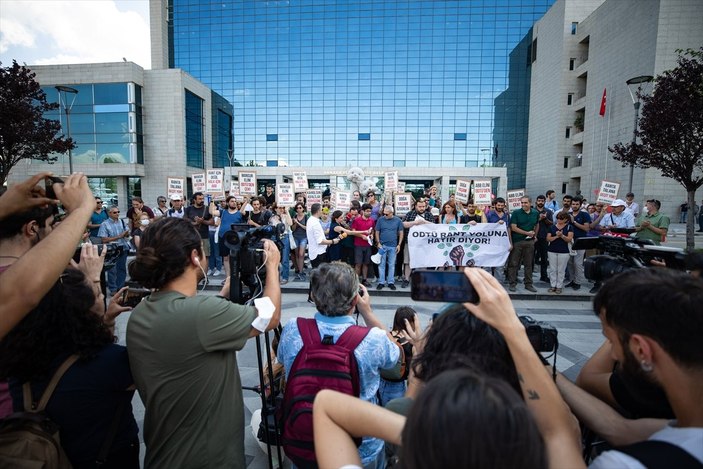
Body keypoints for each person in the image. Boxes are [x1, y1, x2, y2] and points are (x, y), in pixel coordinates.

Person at [312, 268, 584, 469]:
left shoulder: (409, 416)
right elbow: (562, 432)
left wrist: (421, 355)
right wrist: (513, 333)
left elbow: (325, 405)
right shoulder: (532, 436)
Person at [126, 217, 281, 468]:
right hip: (208, 459)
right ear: (195, 256)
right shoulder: (202, 314)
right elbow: (269, 317)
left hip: (164, 454)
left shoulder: (141, 313)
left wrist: (221, 297)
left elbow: (189, 328)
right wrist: (272, 267)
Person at [0, 264, 138, 468]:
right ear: (85, 312)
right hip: (108, 458)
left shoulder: (19, 365)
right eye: (97, 294)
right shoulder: (110, 362)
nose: (102, 297)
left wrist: (106, 320)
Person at [277, 261, 399, 468]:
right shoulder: (374, 339)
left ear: (314, 296)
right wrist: (367, 312)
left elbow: (281, 360)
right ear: (355, 299)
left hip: (303, 439)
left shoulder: (293, 329)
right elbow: (397, 355)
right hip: (361, 447)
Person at [586, 269, 703, 468]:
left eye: (611, 341)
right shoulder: (686, 422)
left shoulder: (625, 464)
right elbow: (622, 430)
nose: (614, 355)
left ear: (641, 349)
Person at [0, 172, 95, 340]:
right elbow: (21, 292)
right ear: (32, 228)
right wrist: (83, 208)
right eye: (51, 225)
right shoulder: (39, 288)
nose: (53, 230)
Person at [378, 307, 418, 406]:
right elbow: (412, 377)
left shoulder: (386, 336)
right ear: (410, 323)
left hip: (380, 383)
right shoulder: (412, 344)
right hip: (397, 387)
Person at [507, 196, 540, 292]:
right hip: (517, 241)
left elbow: (537, 224)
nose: (523, 205)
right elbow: (513, 227)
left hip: (529, 242)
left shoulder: (535, 213)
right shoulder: (516, 213)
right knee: (513, 263)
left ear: (530, 203)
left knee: (529, 264)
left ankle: (528, 284)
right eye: (522, 203)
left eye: (525, 203)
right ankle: (512, 283)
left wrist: (535, 235)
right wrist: (527, 233)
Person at [401, 199, 434, 288]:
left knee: (423, 262)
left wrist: (424, 222)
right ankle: (407, 279)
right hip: (410, 243)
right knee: (407, 262)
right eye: (420, 206)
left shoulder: (428, 214)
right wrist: (415, 223)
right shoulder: (410, 214)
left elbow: (434, 226)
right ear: (415, 206)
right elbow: (403, 224)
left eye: (423, 206)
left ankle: (422, 280)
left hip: (424, 244)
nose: (422, 208)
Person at [98, 205, 131, 294]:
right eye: (115, 212)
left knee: (122, 268)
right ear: (109, 213)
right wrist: (119, 236)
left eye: (118, 212)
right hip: (112, 250)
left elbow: (127, 232)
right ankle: (113, 289)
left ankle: (120, 288)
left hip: (123, 247)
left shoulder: (122, 222)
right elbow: (104, 239)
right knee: (112, 270)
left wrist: (126, 234)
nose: (117, 214)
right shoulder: (105, 224)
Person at [375, 205, 404, 290]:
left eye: (387, 214)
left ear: (392, 213)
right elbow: (377, 232)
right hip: (382, 245)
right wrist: (378, 243)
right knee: (381, 265)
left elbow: (401, 233)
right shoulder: (381, 219)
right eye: (384, 213)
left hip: (393, 245)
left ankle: (391, 282)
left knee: (391, 265)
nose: (385, 215)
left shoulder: (398, 220)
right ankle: (381, 282)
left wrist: (399, 244)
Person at [565, 196, 591, 291]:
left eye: (577, 204)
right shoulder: (568, 214)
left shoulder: (584, 214)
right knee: (570, 262)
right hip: (569, 241)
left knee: (578, 263)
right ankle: (572, 280)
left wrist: (574, 222)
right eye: (573, 204)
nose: (575, 206)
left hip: (580, 241)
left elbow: (586, 228)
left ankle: (578, 282)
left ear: (580, 205)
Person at [184, 192, 214, 270]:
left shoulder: (207, 209)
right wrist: (195, 223)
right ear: (194, 200)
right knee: (191, 255)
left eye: (202, 198)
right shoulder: (188, 209)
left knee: (205, 256)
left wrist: (202, 221)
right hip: (192, 237)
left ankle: (204, 276)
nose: (202, 200)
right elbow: (184, 220)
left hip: (204, 236)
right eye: (199, 199)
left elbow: (212, 222)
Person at [306, 203, 341, 268]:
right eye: (321, 209)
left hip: (315, 252)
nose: (322, 211)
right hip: (318, 254)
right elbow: (320, 241)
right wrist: (332, 241)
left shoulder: (310, 220)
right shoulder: (315, 223)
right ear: (318, 211)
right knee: (320, 276)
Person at [546, 211, 574, 294]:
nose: (559, 220)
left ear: (566, 219)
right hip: (552, 250)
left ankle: (559, 286)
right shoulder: (552, 227)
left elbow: (569, 239)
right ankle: (553, 285)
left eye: (561, 218)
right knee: (552, 269)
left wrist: (562, 236)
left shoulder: (569, 227)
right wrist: (556, 236)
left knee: (561, 270)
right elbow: (548, 239)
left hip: (564, 251)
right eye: (557, 218)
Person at [352, 203, 376, 286]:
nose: (369, 213)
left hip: (368, 244)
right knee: (358, 263)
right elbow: (353, 232)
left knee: (366, 263)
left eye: (370, 211)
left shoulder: (372, 220)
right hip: (358, 244)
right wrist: (362, 236)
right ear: (362, 211)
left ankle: (364, 280)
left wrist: (372, 235)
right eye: (367, 211)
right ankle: (355, 281)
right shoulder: (356, 220)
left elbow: (372, 230)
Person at [534, 195, 554, 283]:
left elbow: (551, 224)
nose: (540, 202)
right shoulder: (532, 211)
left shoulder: (548, 212)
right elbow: (531, 222)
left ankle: (544, 275)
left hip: (544, 237)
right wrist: (539, 218)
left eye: (542, 201)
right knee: (530, 258)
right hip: (533, 236)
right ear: (536, 201)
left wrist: (545, 218)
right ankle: (528, 277)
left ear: (545, 201)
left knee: (544, 258)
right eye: (539, 201)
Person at [291, 202, 309, 280]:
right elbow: (293, 229)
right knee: (297, 254)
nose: (299, 209)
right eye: (297, 208)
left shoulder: (306, 217)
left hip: (303, 237)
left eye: (300, 208)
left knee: (301, 254)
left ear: (303, 208)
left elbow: (306, 228)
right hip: (295, 237)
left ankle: (301, 271)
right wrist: (294, 223)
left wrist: (298, 222)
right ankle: (299, 271)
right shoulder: (294, 216)